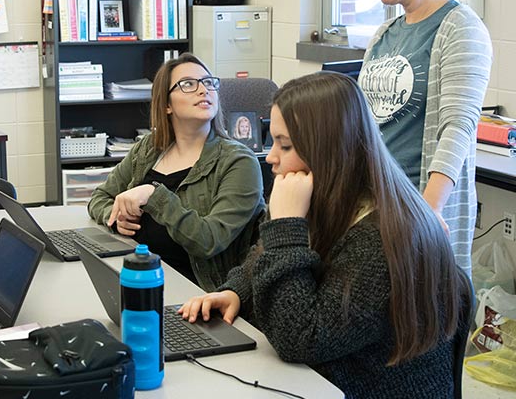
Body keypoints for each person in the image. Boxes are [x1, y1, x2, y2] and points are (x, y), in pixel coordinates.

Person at [180, 72, 470, 398]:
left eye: (284, 145)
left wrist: (286, 225)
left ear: (328, 150)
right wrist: (236, 291)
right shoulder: (333, 200)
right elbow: (260, 258)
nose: (271, 156)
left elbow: (301, 338)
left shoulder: (380, 239)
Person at [357, 0, 492, 275]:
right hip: (373, 202)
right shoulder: (384, 34)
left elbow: (458, 126)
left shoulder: (460, 27)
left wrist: (428, 211)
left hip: (417, 206)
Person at [88, 53, 265, 292]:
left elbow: (209, 240)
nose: (203, 90)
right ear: (167, 104)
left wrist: (154, 195)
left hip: (199, 294)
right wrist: (116, 217)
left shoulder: (238, 161)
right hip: (138, 276)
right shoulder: (149, 148)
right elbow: (99, 198)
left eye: (209, 82)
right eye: (188, 84)